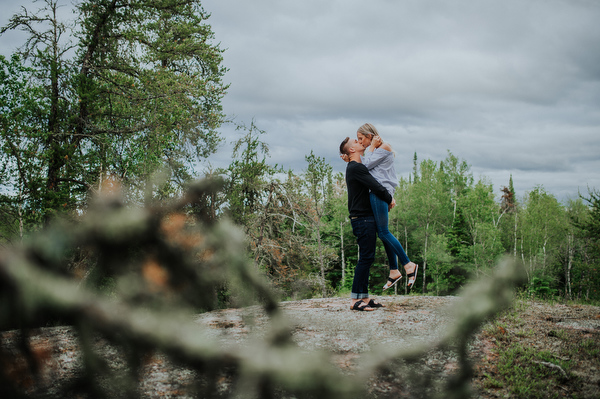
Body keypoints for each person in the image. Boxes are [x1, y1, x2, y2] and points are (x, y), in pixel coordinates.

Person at [356, 123, 419, 291]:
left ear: (370, 136)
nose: (360, 142)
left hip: (379, 193)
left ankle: (408, 264)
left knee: (384, 232)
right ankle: (394, 270)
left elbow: (365, 167)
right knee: (382, 233)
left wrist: (371, 149)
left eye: (361, 139)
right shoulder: (376, 149)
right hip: (379, 192)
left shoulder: (383, 147)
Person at [339, 136, 394, 311]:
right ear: (352, 150)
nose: (359, 142)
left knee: (367, 257)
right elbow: (376, 185)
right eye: (356, 142)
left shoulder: (355, 167)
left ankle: (364, 297)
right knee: (365, 258)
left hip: (363, 218)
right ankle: (355, 300)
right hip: (362, 219)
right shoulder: (356, 168)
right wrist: (389, 199)